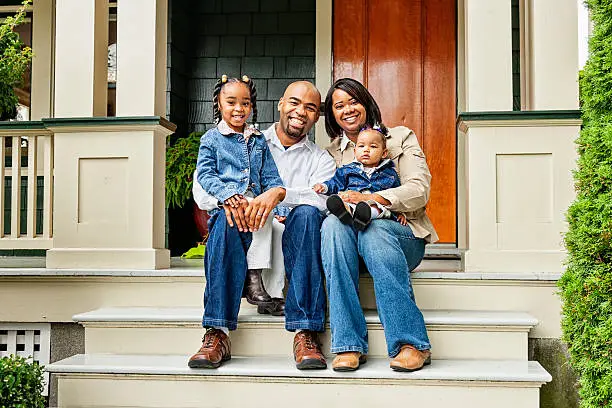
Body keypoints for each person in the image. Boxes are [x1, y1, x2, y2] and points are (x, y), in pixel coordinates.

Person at [192, 81, 336, 370]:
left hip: (295, 232)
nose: (300, 111)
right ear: (280, 103)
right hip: (243, 225)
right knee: (225, 216)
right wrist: (234, 202)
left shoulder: (321, 159)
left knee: (307, 214)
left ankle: (305, 331)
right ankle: (217, 332)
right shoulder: (244, 139)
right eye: (294, 102)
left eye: (310, 107)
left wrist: (280, 197)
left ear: (316, 117)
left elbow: (322, 200)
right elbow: (201, 190)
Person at [320, 78, 439, 373]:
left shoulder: (400, 138)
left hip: (400, 236)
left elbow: (419, 189)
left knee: (374, 232)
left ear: (366, 102)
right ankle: (347, 344)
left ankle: (410, 343)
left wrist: (372, 198)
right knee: (332, 227)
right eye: (339, 105)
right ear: (332, 114)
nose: (347, 109)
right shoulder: (330, 153)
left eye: (353, 101)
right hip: (350, 244)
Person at [188, 75, 286, 369]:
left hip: (255, 207)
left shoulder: (258, 141)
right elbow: (206, 175)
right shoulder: (211, 140)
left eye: (245, 103)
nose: (239, 108)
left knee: (252, 220)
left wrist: (270, 196)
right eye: (231, 102)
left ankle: (220, 327)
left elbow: (271, 178)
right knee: (228, 224)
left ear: (252, 106)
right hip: (227, 208)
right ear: (219, 104)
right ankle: (219, 326)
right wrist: (228, 197)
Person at [313, 125, 409, 231]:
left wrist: (400, 213)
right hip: (352, 202)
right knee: (346, 202)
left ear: (384, 153)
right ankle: (345, 212)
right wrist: (324, 187)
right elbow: (336, 183)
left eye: (373, 146)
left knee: (375, 207)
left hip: (376, 207)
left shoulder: (390, 174)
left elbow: (395, 195)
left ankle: (363, 218)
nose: (366, 150)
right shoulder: (347, 170)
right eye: (361, 146)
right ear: (355, 151)